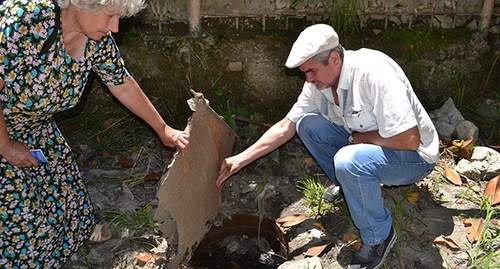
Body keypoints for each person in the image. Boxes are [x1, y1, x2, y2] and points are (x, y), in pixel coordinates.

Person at [216, 24, 439, 269]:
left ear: (334, 59)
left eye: (311, 71)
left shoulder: (373, 73)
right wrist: (239, 160)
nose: (308, 79)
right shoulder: (318, 83)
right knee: (307, 125)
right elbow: (285, 127)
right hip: (368, 147)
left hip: (413, 157)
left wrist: (358, 141)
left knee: (349, 160)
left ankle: (379, 236)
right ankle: (352, 187)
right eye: (305, 73)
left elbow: (408, 139)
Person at [0, 0, 189, 267]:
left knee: (67, 199)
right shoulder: (27, 21)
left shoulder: (95, 39)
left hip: (34, 127)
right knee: (24, 231)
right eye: (111, 15)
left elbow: (121, 83)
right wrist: (6, 145)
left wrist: (164, 129)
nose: (115, 26)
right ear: (80, 4)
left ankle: (68, 239)